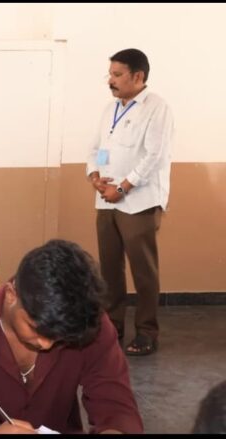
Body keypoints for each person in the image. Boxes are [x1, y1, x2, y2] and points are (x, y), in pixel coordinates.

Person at [0, 239, 144, 434]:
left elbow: (117, 408)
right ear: (12, 294)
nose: (46, 343)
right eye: (36, 328)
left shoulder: (86, 323)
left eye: (60, 337)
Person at [87, 48, 174, 356]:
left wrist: (122, 189)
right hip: (107, 200)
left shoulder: (156, 108)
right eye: (110, 74)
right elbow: (99, 148)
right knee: (109, 268)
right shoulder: (110, 109)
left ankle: (147, 332)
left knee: (143, 270)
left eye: (117, 74)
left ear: (138, 76)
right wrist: (96, 176)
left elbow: (154, 156)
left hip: (138, 202)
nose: (110, 80)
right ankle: (113, 327)